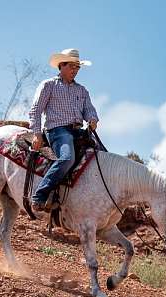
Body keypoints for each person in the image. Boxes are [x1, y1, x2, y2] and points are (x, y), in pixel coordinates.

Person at [28, 48, 99, 211]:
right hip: (57, 130)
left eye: (77, 67)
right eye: (72, 67)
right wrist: (37, 134)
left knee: (101, 155)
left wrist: (92, 119)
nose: (75, 70)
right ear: (62, 65)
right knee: (67, 158)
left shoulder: (82, 90)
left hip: (78, 131)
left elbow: (89, 109)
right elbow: (36, 110)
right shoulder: (49, 85)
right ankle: (40, 195)